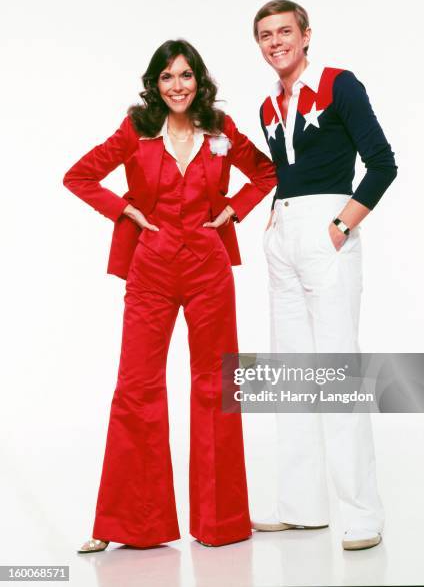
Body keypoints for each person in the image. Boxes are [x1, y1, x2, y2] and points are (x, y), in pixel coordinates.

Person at [63, 39, 277, 553]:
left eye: (185, 75)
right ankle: (126, 524)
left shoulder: (221, 131)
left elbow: (267, 173)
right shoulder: (135, 131)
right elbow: (80, 176)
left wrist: (234, 209)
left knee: (216, 387)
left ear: (199, 81)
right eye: (166, 77)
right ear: (154, 85)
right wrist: (124, 210)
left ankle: (222, 522)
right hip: (151, 269)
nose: (177, 86)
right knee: (136, 387)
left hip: (208, 268)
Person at [251, 0, 397, 550]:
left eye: (284, 31)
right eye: (265, 35)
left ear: (306, 35)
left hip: (326, 233)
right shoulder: (268, 105)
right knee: (290, 375)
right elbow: (286, 173)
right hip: (283, 238)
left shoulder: (339, 83)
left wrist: (339, 226)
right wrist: (274, 220)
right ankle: (302, 506)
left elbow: (382, 163)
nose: (275, 42)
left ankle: (362, 513)